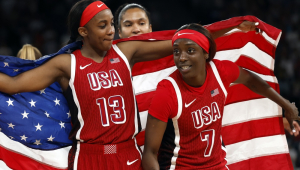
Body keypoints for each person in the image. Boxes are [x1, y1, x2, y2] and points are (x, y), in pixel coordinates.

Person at [0, 0, 175, 169]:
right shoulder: (67, 64)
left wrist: (200, 34)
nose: (110, 31)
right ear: (84, 31)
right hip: (89, 158)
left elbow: (177, 44)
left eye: (112, 24)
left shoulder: (125, 51)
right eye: (102, 26)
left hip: (128, 154)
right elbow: (13, 84)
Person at [142, 23, 300, 169]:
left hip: (217, 164)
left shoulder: (221, 71)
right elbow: (149, 153)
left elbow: (251, 80)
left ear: (205, 53)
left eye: (190, 50)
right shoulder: (167, 91)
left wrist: (287, 105)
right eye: (176, 51)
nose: (182, 57)